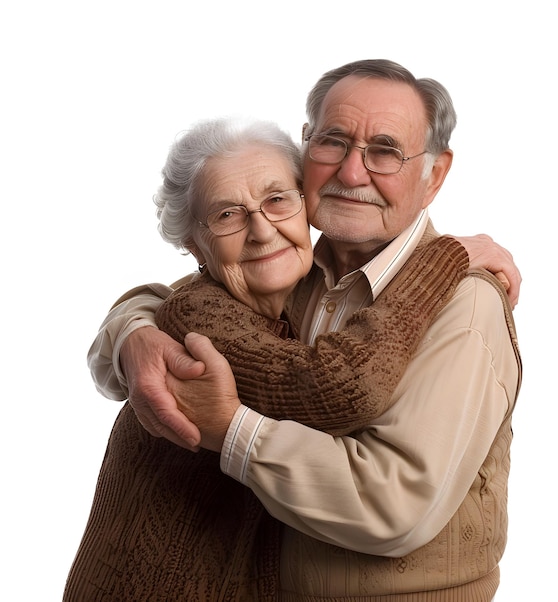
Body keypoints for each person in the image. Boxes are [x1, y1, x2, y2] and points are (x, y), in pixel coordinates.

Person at [86, 59, 522, 601]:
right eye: (333, 142)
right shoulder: (289, 273)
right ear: (306, 148)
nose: (353, 173)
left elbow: (394, 508)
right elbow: (180, 303)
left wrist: (229, 427)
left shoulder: (465, 303)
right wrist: (133, 330)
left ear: (434, 175)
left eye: (384, 151)